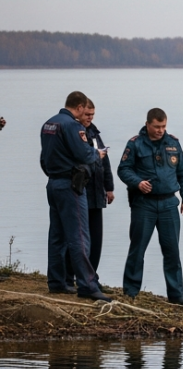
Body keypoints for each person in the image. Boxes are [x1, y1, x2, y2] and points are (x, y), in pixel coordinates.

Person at [40, 91, 111, 301]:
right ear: (79, 107)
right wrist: (96, 154)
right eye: (84, 110)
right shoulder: (72, 125)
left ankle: (56, 282)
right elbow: (84, 154)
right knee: (79, 236)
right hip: (72, 185)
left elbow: (44, 158)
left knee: (57, 236)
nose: (85, 115)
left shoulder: (49, 124)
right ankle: (87, 285)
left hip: (53, 183)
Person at [118, 108, 183, 305]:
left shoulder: (173, 143)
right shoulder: (135, 144)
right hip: (144, 204)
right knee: (138, 248)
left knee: (172, 251)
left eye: (163, 126)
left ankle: (176, 295)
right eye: (157, 126)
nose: (160, 130)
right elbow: (123, 169)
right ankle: (130, 292)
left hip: (169, 203)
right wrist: (137, 182)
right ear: (148, 124)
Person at [75, 100, 114, 271]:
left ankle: (92, 275)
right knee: (80, 237)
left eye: (92, 114)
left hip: (98, 193)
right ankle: (75, 274)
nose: (90, 117)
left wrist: (109, 187)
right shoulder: (74, 131)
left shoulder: (94, 133)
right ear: (79, 112)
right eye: (87, 114)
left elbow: (105, 162)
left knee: (96, 238)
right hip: (80, 192)